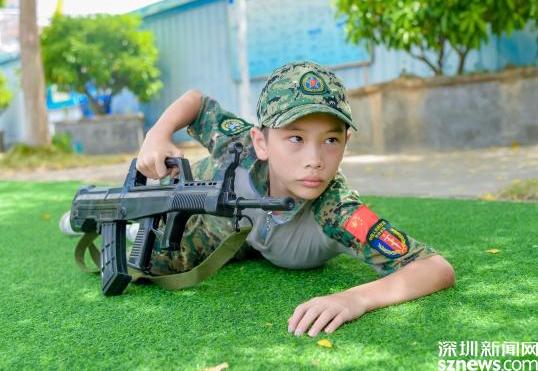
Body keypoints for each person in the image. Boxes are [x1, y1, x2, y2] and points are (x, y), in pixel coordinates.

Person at [64, 61, 456, 337]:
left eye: (331, 140)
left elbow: (435, 268)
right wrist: (156, 134)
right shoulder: (241, 145)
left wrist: (355, 299)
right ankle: (105, 217)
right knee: (149, 247)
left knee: (159, 262)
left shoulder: (338, 210)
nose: (314, 160)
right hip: (197, 196)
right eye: (295, 138)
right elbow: (196, 102)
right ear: (260, 141)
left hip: (240, 236)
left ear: (346, 143)